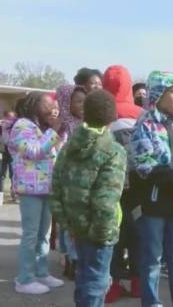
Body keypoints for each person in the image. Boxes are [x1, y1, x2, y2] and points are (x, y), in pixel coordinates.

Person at [130, 71, 173, 307]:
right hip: (152, 204)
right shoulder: (145, 123)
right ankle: (151, 302)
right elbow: (144, 165)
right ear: (158, 93)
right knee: (152, 258)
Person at [50, 90, 126, 307]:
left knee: (84, 278)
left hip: (76, 227)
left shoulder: (69, 147)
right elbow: (106, 200)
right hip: (100, 231)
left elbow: (56, 188)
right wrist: (104, 234)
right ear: (113, 116)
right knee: (96, 283)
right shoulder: (113, 151)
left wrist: (68, 224)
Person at [8, 92, 66, 295]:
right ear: (34, 106)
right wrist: (54, 132)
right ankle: (24, 278)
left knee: (45, 235)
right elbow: (33, 152)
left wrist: (58, 132)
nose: (53, 108)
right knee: (31, 234)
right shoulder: (22, 126)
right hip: (30, 188)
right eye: (48, 104)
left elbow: (53, 152)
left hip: (46, 188)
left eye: (56, 105)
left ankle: (41, 272)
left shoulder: (44, 128)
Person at [102, 65, 143, 301]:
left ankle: (113, 285)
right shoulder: (140, 114)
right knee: (138, 234)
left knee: (113, 235)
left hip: (110, 189)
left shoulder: (101, 114)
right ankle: (138, 283)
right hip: (138, 188)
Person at [53, 84, 86, 281]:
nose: (82, 105)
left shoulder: (86, 123)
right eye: (78, 101)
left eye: (85, 101)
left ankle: (74, 258)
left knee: (75, 223)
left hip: (82, 179)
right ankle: (70, 259)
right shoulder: (63, 125)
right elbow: (57, 150)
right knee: (68, 223)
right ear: (67, 102)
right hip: (66, 180)